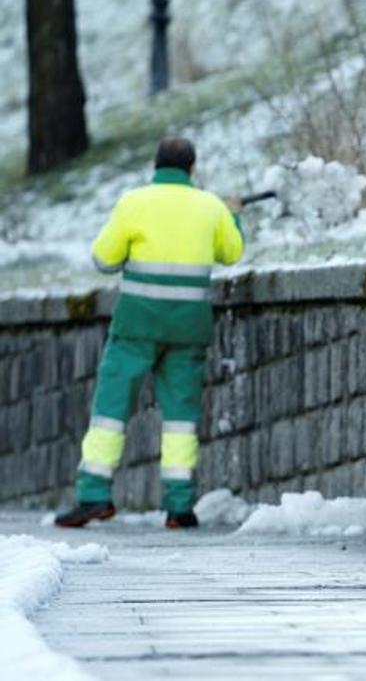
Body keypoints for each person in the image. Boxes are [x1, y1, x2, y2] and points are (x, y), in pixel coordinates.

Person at [54, 137, 244, 529]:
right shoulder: (209, 206)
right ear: (192, 169)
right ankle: (179, 507)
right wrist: (233, 215)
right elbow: (232, 252)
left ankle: (94, 496)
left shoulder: (134, 202)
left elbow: (103, 260)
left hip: (136, 326)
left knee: (110, 410)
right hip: (188, 329)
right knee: (180, 419)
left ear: (155, 167)